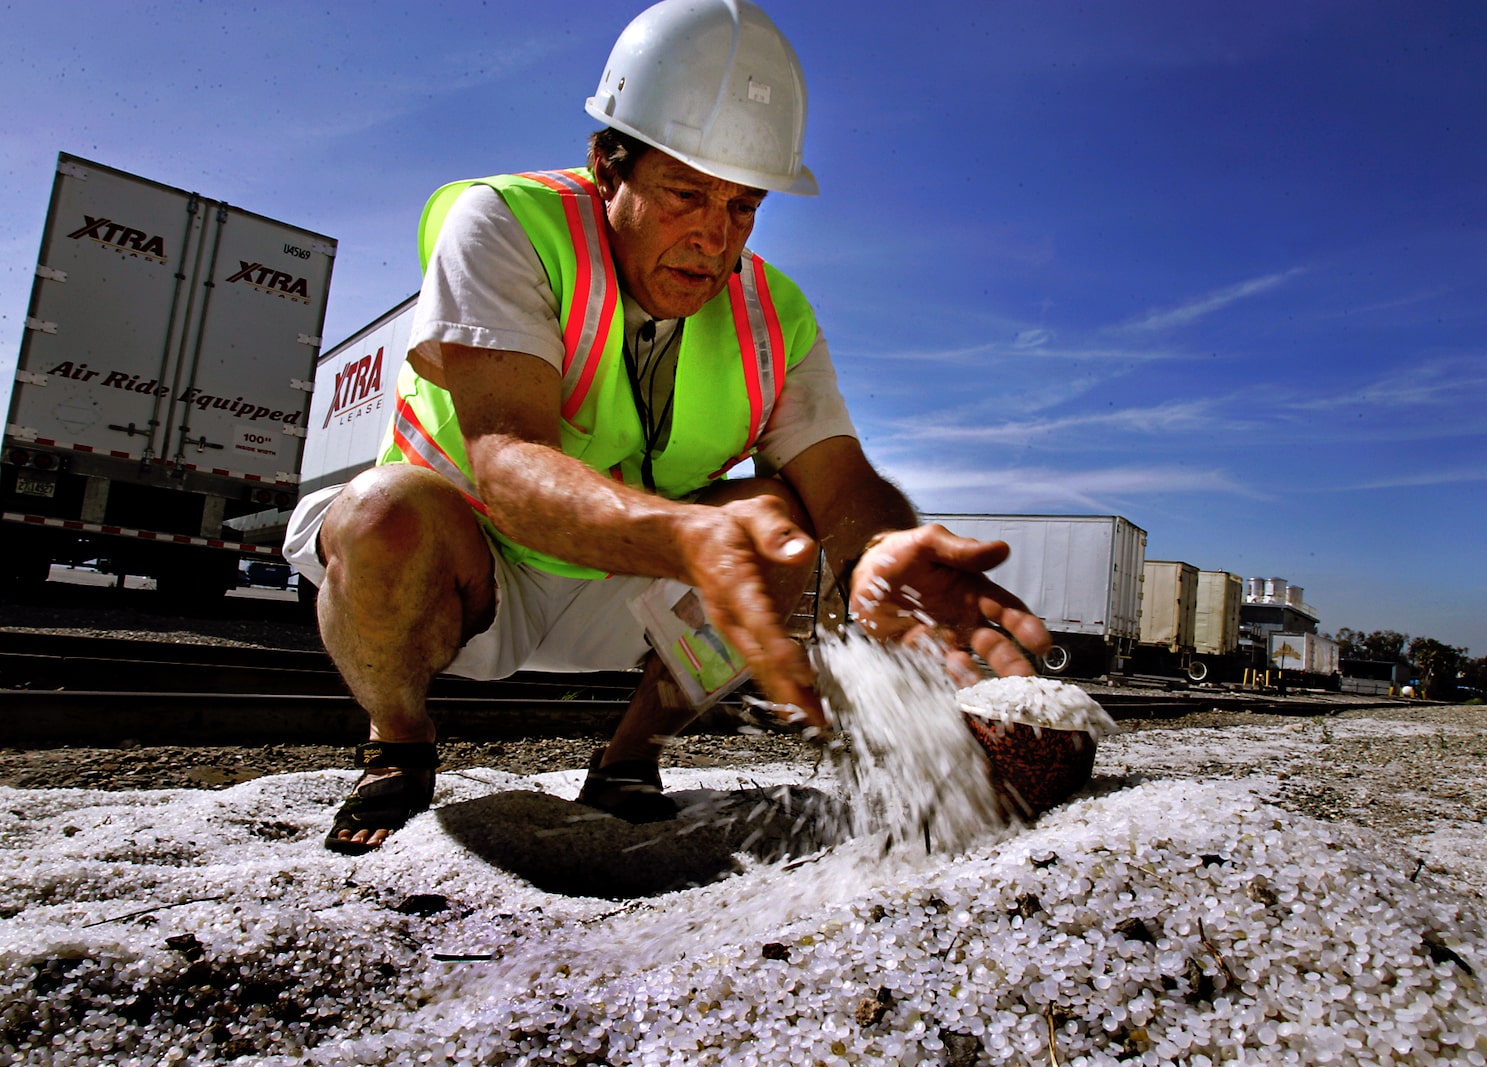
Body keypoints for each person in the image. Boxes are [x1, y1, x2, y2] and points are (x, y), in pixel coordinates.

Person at [284, 0, 1051, 854]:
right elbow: (507, 462)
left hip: (622, 581)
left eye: (744, 207)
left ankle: (627, 765)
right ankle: (399, 745)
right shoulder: (509, 225)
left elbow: (838, 478)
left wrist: (879, 550)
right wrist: (689, 537)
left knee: (781, 523)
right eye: (686, 195)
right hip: (470, 571)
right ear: (606, 169)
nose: (713, 239)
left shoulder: (776, 313)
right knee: (381, 510)